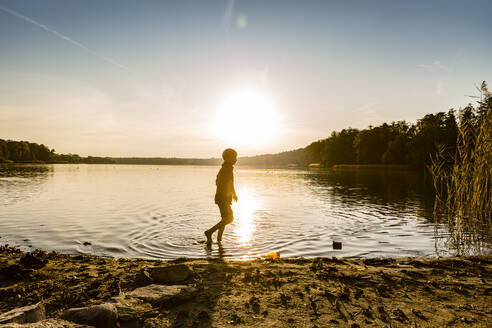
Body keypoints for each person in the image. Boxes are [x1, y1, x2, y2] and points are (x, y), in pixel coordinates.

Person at [205, 148, 238, 244]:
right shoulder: (226, 169)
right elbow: (224, 183)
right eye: (234, 157)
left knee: (224, 219)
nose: (236, 159)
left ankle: (219, 239)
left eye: (236, 157)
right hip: (223, 198)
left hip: (222, 197)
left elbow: (224, 182)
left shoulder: (226, 168)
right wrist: (231, 193)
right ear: (227, 158)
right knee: (230, 218)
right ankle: (209, 232)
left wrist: (232, 194)